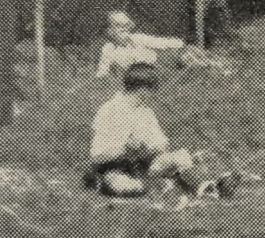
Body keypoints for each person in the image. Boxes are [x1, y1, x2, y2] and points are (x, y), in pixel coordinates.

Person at [86, 62, 202, 197]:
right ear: (142, 89)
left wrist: (152, 147)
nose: (154, 93)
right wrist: (126, 150)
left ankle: (207, 187)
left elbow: (162, 144)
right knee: (124, 185)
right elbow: (97, 156)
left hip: (144, 165)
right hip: (114, 168)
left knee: (181, 157)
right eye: (152, 88)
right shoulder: (110, 110)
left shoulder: (146, 112)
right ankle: (158, 185)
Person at [95, 11, 226, 79]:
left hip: (163, 58)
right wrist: (102, 75)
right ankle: (217, 67)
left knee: (191, 52)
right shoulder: (109, 49)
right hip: (153, 68)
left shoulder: (137, 38)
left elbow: (158, 42)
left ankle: (220, 63)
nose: (124, 30)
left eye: (126, 26)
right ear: (109, 31)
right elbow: (103, 70)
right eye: (118, 27)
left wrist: (180, 43)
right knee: (192, 63)